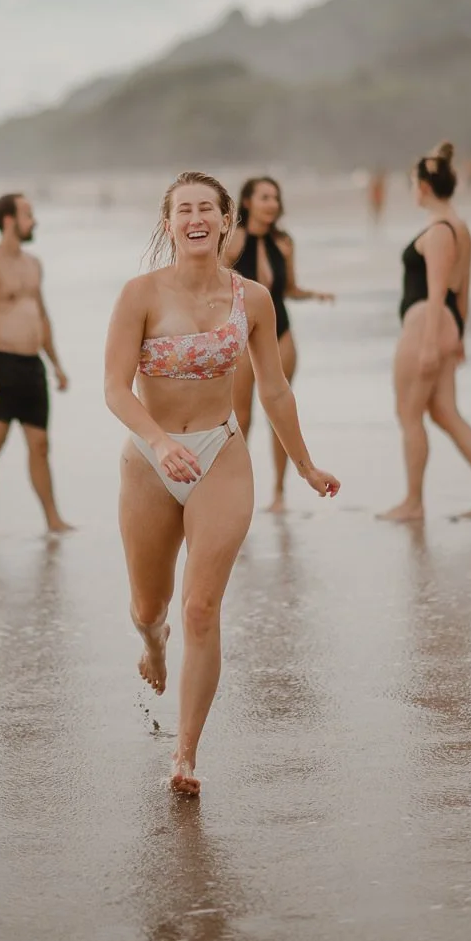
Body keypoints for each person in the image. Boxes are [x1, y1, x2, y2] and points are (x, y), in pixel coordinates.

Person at [104, 171, 340, 796]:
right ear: (168, 224)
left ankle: (184, 755)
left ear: (225, 220)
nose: (195, 218)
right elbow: (114, 389)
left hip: (221, 454)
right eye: (183, 209)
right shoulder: (139, 295)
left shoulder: (252, 299)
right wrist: (158, 441)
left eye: (206, 207)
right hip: (151, 462)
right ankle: (153, 644)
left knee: (202, 608)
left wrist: (307, 465)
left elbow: (275, 389)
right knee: (150, 608)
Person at [378, 142, 471, 522]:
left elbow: (437, 291)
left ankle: (413, 502)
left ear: (423, 188)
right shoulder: (461, 228)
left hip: (425, 326)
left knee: (409, 414)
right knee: (446, 412)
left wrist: (432, 343)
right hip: (447, 324)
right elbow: (461, 290)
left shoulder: (438, 231)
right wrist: (458, 335)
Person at [0, 192, 71, 542]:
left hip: (32, 366)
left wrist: (56, 364)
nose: (34, 220)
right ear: (9, 220)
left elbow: (42, 315)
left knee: (40, 445)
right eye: (28, 214)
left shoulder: (33, 264)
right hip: (2, 363)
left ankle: (53, 520)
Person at [225, 176, 334, 512]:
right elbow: (215, 283)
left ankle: (278, 493)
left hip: (280, 330)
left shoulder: (284, 242)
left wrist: (313, 294)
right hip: (241, 333)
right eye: (264, 197)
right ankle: (234, 491)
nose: (271, 203)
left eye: (275, 197)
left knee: (281, 414)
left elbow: (287, 288)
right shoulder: (233, 240)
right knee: (241, 418)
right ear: (247, 202)